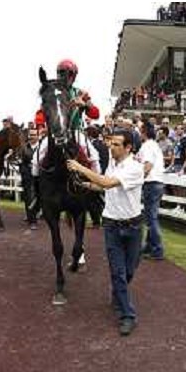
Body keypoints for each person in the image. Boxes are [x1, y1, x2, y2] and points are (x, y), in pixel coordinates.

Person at [67, 130, 144, 337]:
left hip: (133, 226)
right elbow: (105, 186)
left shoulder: (135, 168)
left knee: (128, 271)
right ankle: (127, 315)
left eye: (117, 144)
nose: (111, 147)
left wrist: (81, 168)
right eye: (111, 143)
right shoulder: (112, 164)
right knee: (118, 272)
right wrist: (86, 185)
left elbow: (108, 183)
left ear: (128, 147)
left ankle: (119, 293)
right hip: (111, 225)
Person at [136, 122, 165, 260]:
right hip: (157, 183)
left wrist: (137, 180)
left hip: (151, 183)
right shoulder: (154, 145)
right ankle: (149, 246)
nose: (139, 133)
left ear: (144, 132)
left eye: (140, 131)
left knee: (151, 218)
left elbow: (147, 166)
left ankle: (157, 249)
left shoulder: (147, 146)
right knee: (151, 217)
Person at [20, 127, 42, 230]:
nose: (32, 136)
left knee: (40, 197)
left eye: (34, 134)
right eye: (30, 134)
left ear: (38, 136)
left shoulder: (43, 147)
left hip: (41, 176)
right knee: (29, 197)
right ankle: (32, 220)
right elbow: (22, 163)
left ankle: (35, 214)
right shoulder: (24, 147)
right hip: (28, 176)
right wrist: (25, 173)